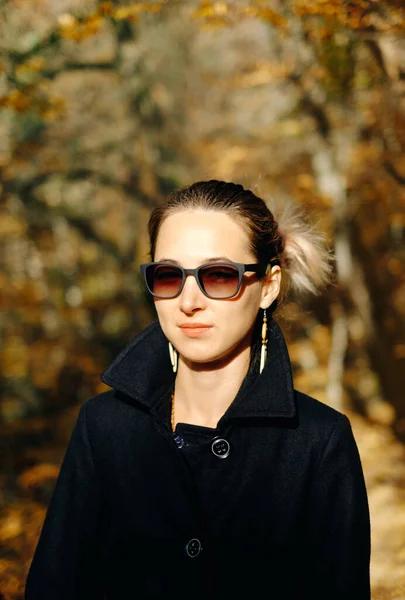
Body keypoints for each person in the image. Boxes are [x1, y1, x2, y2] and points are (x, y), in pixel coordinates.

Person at [25, 180, 371, 600]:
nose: (189, 301)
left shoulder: (320, 441)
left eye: (220, 275)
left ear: (268, 286)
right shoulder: (104, 427)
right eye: (169, 275)